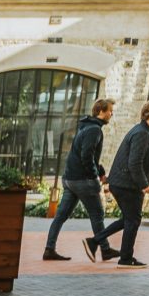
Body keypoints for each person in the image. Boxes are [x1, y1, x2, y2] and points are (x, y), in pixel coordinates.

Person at [88, 100, 149, 269]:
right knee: (133, 220)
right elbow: (134, 163)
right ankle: (125, 259)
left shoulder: (146, 132)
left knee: (129, 219)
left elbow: (144, 162)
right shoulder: (142, 133)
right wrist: (144, 185)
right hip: (127, 185)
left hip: (124, 183)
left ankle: (94, 242)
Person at [44, 98, 115, 262]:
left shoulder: (86, 127)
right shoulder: (94, 130)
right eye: (110, 111)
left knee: (60, 216)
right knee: (97, 215)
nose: (112, 114)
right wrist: (94, 176)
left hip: (70, 178)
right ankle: (105, 249)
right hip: (83, 180)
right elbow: (87, 155)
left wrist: (101, 171)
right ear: (101, 111)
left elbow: (89, 155)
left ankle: (49, 249)